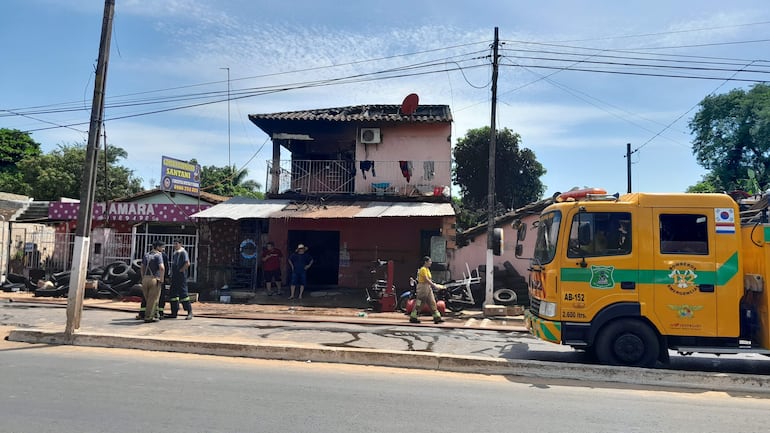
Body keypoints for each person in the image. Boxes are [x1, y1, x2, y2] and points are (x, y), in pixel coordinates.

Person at [409, 256, 446, 324]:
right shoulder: (423, 269)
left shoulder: (427, 269)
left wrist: (434, 284)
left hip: (428, 287)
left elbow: (429, 279)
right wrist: (434, 285)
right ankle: (413, 317)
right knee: (420, 302)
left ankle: (437, 317)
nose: (431, 263)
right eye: (429, 261)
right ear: (425, 262)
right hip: (422, 287)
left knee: (432, 302)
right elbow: (426, 279)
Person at [166, 239, 193, 320]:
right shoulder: (175, 253)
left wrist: (181, 270)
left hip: (181, 276)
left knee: (183, 294)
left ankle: (189, 312)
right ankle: (174, 312)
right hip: (174, 276)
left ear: (181, 244)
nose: (174, 245)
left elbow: (187, 263)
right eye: (174, 244)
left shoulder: (183, 252)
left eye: (176, 244)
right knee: (173, 294)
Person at [140, 240, 166, 323]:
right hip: (154, 279)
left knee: (148, 299)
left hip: (145, 279)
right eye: (162, 247)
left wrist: (143, 277)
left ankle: (155, 314)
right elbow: (162, 268)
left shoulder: (146, 255)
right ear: (158, 247)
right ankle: (148, 317)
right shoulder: (158, 255)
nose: (163, 249)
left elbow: (142, 267)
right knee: (153, 299)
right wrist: (161, 279)